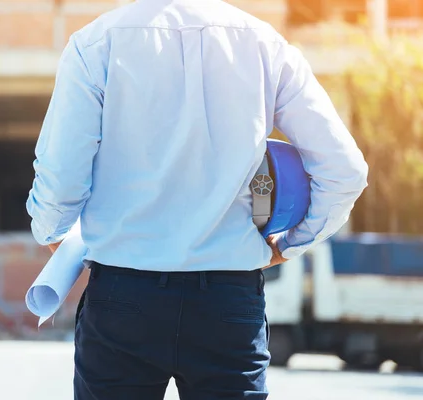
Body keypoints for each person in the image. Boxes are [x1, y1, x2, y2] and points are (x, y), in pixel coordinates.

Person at [26, 0, 368, 398]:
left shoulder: (95, 44)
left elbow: (61, 173)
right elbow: (345, 172)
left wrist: (52, 232)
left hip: (123, 295)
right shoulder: (265, 45)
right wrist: (290, 246)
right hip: (229, 300)